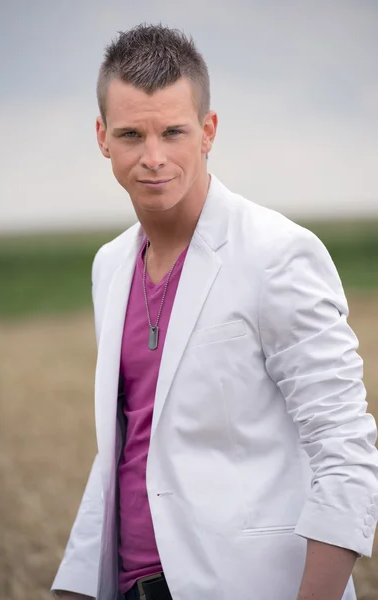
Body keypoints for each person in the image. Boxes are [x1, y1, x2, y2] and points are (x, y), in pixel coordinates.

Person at [51, 24, 378, 600]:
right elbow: (126, 448)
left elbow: (346, 451)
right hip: (127, 586)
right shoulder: (110, 265)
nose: (153, 158)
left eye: (173, 132)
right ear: (102, 137)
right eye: (131, 134)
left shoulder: (278, 254)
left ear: (208, 131)